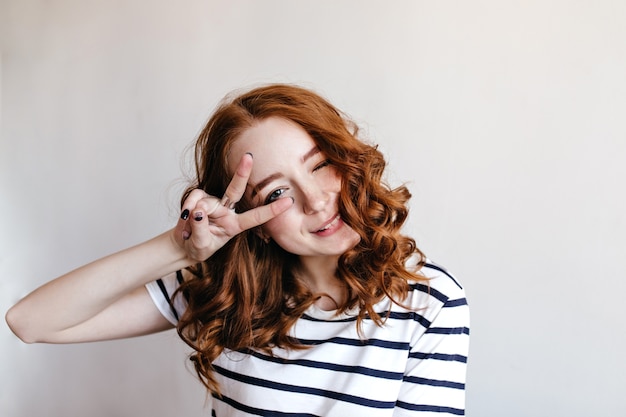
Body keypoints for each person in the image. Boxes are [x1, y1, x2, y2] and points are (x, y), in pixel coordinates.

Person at [6, 84, 470, 416]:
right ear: (258, 227)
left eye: (321, 166)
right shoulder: (225, 292)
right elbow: (30, 321)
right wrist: (179, 249)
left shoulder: (429, 302)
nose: (315, 201)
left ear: (348, 160)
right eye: (275, 194)